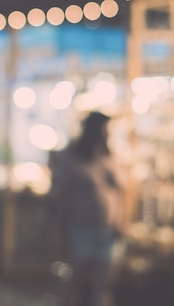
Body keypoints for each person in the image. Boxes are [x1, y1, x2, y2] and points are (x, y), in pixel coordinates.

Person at [48, 111, 130, 306]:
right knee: (75, 282)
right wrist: (59, 232)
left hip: (108, 232)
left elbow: (125, 193)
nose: (107, 135)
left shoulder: (110, 158)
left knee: (103, 284)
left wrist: (123, 222)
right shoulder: (74, 158)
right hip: (81, 229)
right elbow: (63, 198)